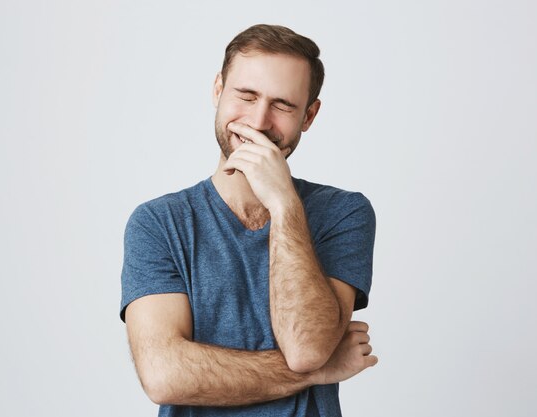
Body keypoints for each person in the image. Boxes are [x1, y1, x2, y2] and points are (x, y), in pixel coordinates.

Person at [120, 24, 377, 417]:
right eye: (246, 96)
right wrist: (317, 372)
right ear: (218, 90)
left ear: (309, 115)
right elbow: (165, 376)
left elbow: (306, 347)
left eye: (283, 105)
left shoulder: (343, 213)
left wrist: (284, 205)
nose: (258, 122)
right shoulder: (158, 223)